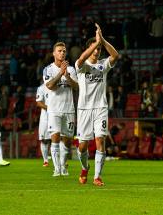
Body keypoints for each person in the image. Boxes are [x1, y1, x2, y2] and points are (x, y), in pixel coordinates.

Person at [75, 23, 119, 186]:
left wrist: (103, 41)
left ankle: (97, 177)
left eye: (99, 49)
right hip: (84, 109)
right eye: (95, 48)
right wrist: (95, 42)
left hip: (100, 107)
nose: (97, 51)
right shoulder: (82, 66)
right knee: (82, 145)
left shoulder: (103, 65)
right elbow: (80, 59)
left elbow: (115, 56)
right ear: (89, 48)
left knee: (100, 140)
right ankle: (85, 168)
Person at [43, 41, 78, 176]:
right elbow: (50, 85)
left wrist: (67, 76)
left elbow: (76, 87)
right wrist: (60, 74)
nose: (62, 53)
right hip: (54, 109)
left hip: (69, 109)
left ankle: (63, 166)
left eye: (64, 51)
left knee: (68, 140)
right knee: (55, 137)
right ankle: (57, 168)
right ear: (54, 53)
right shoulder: (48, 69)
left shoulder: (71, 69)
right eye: (59, 51)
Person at [36, 82, 51, 167]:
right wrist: (51, 108)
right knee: (44, 139)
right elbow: (39, 103)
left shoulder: (59, 85)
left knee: (58, 138)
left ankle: (61, 160)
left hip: (58, 115)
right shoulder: (41, 88)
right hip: (45, 117)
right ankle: (45, 160)